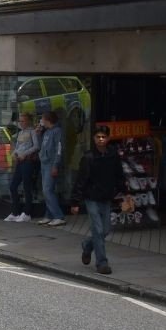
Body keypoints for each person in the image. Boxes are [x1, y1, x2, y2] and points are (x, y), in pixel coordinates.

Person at [71, 125, 129, 275]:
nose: (101, 139)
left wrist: (125, 192)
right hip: (92, 197)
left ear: (108, 138)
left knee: (106, 230)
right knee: (97, 229)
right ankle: (102, 263)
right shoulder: (89, 157)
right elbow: (81, 180)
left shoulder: (113, 155)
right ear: (94, 138)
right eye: (98, 137)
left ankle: (87, 246)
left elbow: (119, 175)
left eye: (103, 137)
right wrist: (75, 202)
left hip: (106, 197)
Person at [6, 112, 41, 222]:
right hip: (20, 161)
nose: (21, 123)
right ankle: (15, 212)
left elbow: (36, 146)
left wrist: (24, 154)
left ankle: (27, 212)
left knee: (27, 187)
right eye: (20, 121)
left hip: (27, 162)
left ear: (28, 121)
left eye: (23, 121)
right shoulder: (20, 133)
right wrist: (15, 154)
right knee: (13, 186)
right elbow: (17, 146)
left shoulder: (32, 132)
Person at [37, 111, 66, 227]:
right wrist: (39, 134)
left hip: (51, 164)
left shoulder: (57, 131)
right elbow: (42, 146)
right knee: (47, 190)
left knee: (47, 190)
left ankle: (58, 216)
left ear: (48, 120)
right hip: (44, 163)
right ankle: (49, 215)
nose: (41, 121)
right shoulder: (46, 132)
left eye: (42, 119)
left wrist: (55, 165)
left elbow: (59, 149)